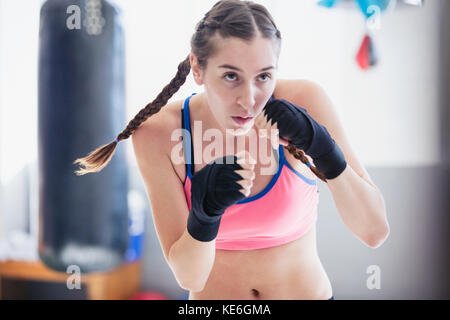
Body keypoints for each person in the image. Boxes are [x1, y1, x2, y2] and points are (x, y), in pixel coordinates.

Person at [73, 0, 389, 300]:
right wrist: (204, 216)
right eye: (230, 76)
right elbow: (190, 278)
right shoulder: (159, 133)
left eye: (264, 76)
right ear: (197, 69)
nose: (250, 98)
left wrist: (325, 150)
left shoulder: (303, 101)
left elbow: (374, 232)